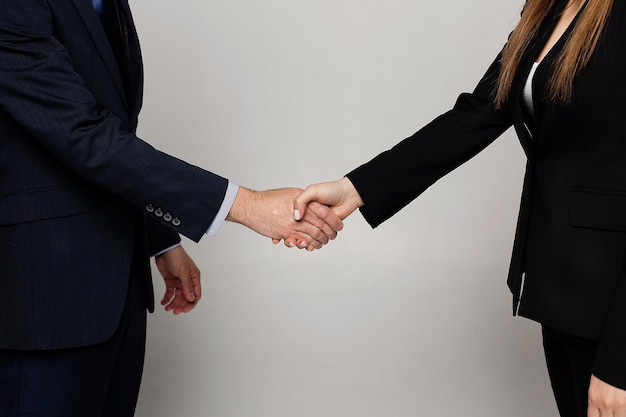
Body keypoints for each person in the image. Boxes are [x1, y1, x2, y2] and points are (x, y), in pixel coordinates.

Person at [0, 0, 342, 416]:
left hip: (117, 282)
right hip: (47, 299)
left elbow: (113, 127)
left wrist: (160, 240)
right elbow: (82, 133)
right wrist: (246, 205)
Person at [291, 0, 626, 415]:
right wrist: (355, 188)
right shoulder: (548, 9)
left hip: (613, 306)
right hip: (559, 292)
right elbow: (478, 113)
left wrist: (619, 363)